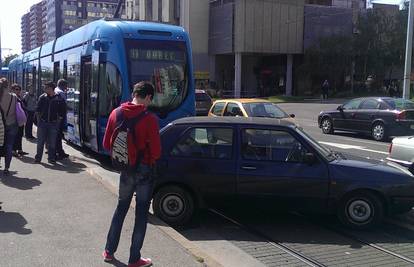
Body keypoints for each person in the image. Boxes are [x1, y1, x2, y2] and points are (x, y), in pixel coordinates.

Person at [102, 81, 161, 267]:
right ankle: (134, 259)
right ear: (148, 97)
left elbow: (106, 145)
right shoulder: (150, 119)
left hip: (126, 170)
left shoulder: (115, 113)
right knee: (141, 213)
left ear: (134, 94)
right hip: (144, 171)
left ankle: (109, 251)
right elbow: (157, 152)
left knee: (121, 208)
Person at [34, 81, 66, 164]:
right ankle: (38, 158)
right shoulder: (42, 97)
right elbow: (37, 109)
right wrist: (39, 121)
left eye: (46, 87)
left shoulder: (59, 98)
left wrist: (59, 120)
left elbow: (63, 111)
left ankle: (51, 158)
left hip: (53, 123)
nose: (44, 89)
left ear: (51, 88)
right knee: (40, 142)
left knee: (52, 142)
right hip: (43, 123)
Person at [0, 78, 18, 175]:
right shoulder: (14, 97)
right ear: (8, 86)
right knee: (9, 146)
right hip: (11, 123)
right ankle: (7, 168)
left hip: (0, 125)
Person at [11, 84, 28, 157]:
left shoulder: (20, 98)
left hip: (20, 120)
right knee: (16, 135)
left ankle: (20, 149)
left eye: (19, 90)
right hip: (15, 120)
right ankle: (14, 150)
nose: (18, 91)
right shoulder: (12, 98)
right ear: (12, 90)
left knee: (20, 134)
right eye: (16, 89)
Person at [54, 79, 69, 160]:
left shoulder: (55, 90)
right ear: (63, 85)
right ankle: (59, 152)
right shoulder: (61, 93)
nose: (66, 88)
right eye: (66, 86)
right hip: (59, 118)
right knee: (58, 135)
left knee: (56, 135)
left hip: (54, 117)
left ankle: (58, 151)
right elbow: (65, 105)